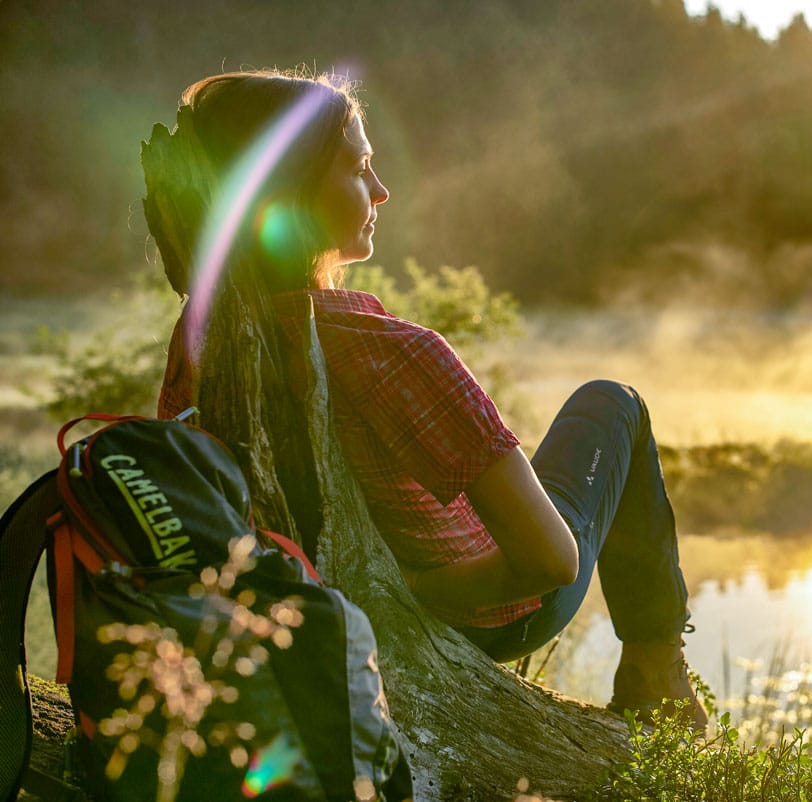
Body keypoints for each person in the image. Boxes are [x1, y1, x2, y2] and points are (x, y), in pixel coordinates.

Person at [148, 69, 706, 733]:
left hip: (314, 609)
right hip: (487, 613)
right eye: (357, 167)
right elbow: (551, 563)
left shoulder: (205, 338)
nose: (382, 190)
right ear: (288, 191)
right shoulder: (390, 351)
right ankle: (656, 673)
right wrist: (404, 600)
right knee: (613, 403)